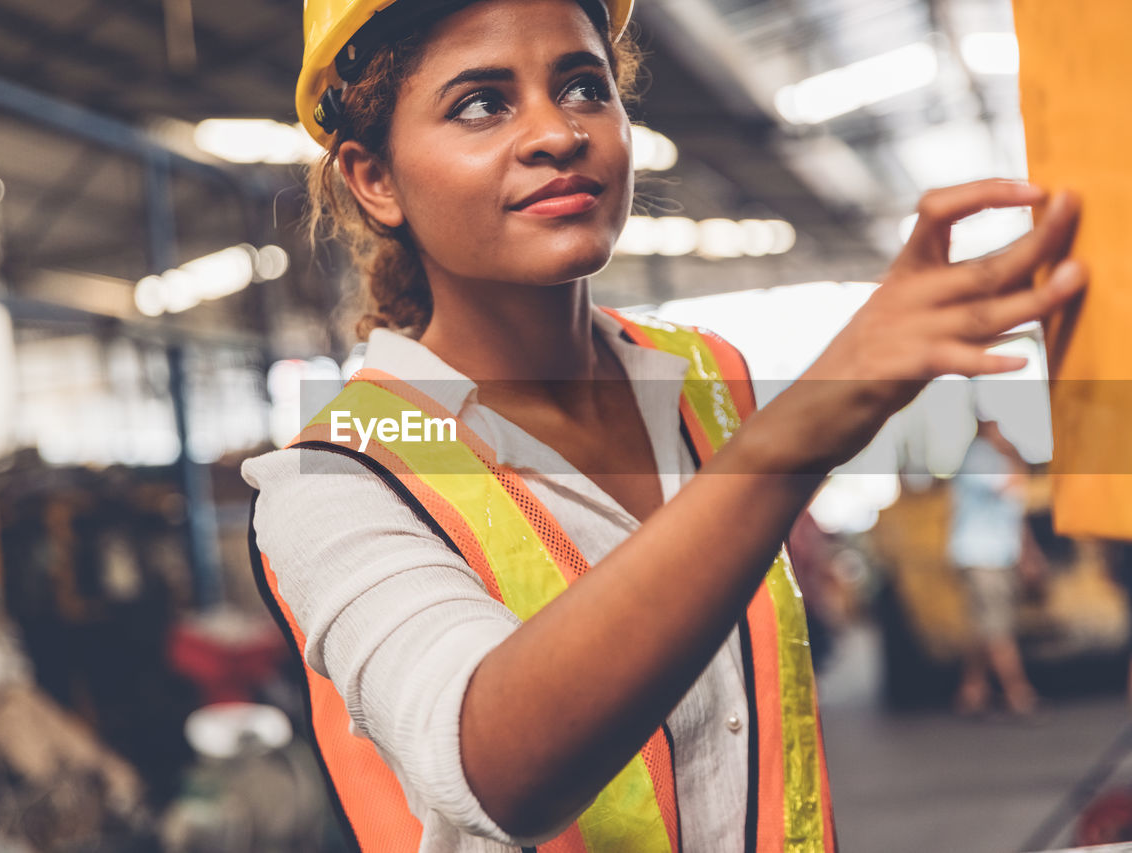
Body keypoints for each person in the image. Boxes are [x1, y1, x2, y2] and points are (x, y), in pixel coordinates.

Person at [242, 0, 1087, 846]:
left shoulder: (708, 376)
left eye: (583, 87)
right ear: (375, 179)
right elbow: (492, 770)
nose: (559, 132)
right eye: (481, 104)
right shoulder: (337, 477)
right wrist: (802, 431)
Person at [948, 419, 1044, 717]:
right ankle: (1019, 694)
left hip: (997, 555)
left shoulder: (995, 457)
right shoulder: (978, 457)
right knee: (997, 626)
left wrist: (1028, 554)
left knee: (985, 626)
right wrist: (1014, 454)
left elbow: (1014, 512)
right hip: (982, 555)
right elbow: (1012, 486)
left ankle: (972, 692)